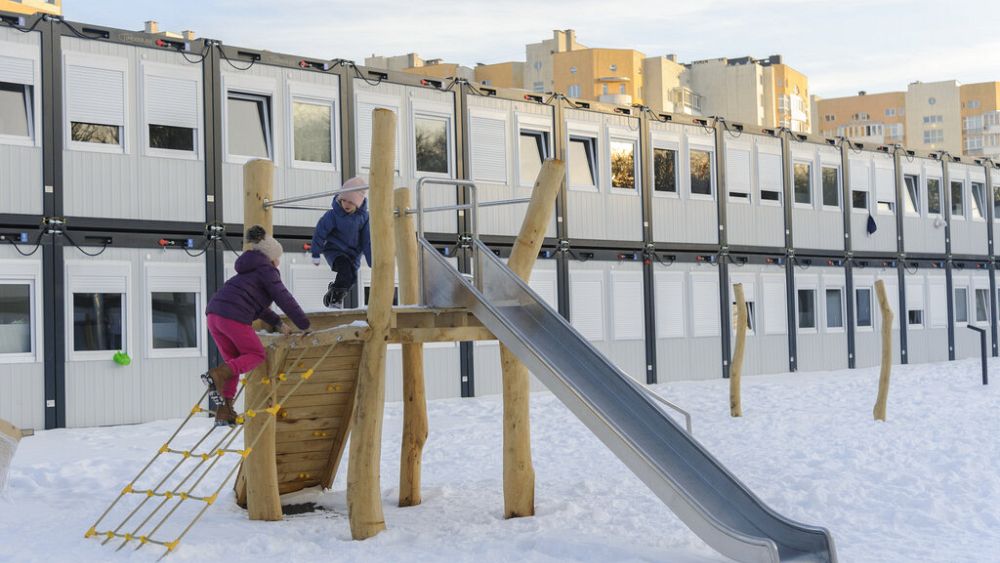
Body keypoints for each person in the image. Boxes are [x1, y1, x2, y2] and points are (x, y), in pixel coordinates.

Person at [201, 225, 310, 426]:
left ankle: (225, 410)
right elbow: (284, 298)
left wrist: (278, 323)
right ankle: (217, 374)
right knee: (256, 355)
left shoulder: (247, 272)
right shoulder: (267, 270)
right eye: (278, 258)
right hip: (233, 317)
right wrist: (304, 324)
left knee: (234, 362)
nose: (278, 262)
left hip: (214, 316)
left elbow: (257, 306)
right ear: (272, 257)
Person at [311, 176, 372, 308]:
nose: (346, 205)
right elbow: (320, 232)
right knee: (344, 271)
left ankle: (332, 291)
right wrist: (316, 253)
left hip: (352, 255)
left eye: (350, 202)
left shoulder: (364, 218)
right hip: (335, 251)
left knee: (351, 278)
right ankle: (335, 301)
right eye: (343, 200)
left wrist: (372, 260)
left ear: (358, 202)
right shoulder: (334, 215)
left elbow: (366, 240)